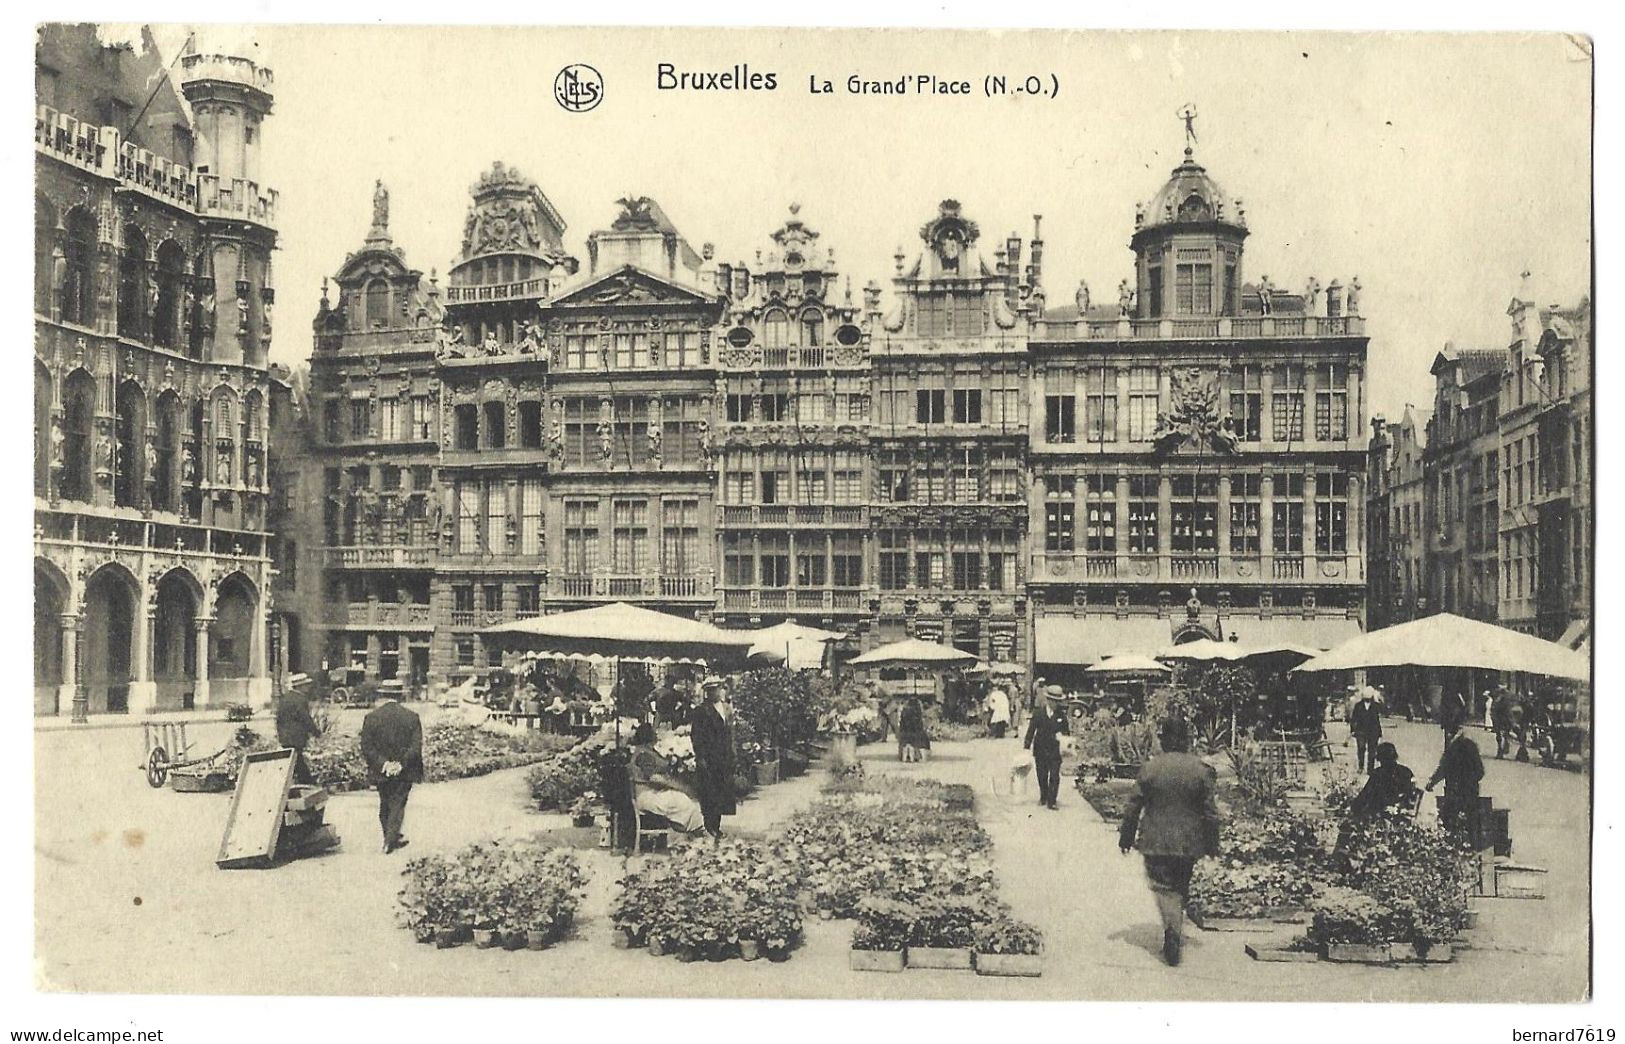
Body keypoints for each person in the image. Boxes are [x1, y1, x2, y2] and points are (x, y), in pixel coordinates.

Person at [1118, 717, 1221, 967]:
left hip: (1156, 841)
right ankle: (1174, 926)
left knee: (1163, 887)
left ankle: (1172, 931)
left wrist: (1126, 836)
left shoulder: (1150, 768)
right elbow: (1210, 812)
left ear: (1163, 741)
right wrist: (1212, 844)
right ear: (1186, 742)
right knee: (1180, 885)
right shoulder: (1200, 770)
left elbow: (1133, 806)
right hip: (1189, 843)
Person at [360, 689, 424, 854]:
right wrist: (401, 764)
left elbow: (367, 747)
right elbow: (415, 746)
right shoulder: (411, 716)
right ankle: (390, 841)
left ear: (382, 696)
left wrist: (384, 764)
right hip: (405, 770)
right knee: (398, 803)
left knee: (385, 802)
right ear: (400, 696)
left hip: (381, 770)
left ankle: (391, 837)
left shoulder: (372, 717)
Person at [628, 723, 705, 833]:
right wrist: (679, 786)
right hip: (647, 796)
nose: (656, 734)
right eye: (653, 732)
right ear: (648, 736)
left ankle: (693, 829)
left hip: (654, 792)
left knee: (682, 798)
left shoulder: (647, 750)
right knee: (680, 799)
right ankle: (696, 830)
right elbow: (654, 777)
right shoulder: (642, 754)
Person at [690, 676, 737, 839]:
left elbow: (728, 732)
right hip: (709, 757)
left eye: (717, 689)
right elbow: (696, 736)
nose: (716, 692)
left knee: (721, 791)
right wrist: (700, 756)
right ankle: (709, 825)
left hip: (723, 757)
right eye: (712, 690)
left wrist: (732, 752)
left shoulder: (725, 708)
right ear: (707, 692)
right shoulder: (701, 711)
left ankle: (716, 824)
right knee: (709, 792)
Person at [1426, 722, 1485, 834]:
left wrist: (1431, 783)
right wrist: (1470, 781)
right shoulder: (1472, 746)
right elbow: (1480, 771)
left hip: (1454, 790)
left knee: (1448, 817)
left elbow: (1443, 768)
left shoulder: (1452, 748)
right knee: (1470, 819)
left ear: (1450, 733)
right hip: (1471, 790)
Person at [1023, 685, 1069, 809]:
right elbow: (1031, 730)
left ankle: (1052, 801)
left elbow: (1066, 733)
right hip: (1040, 749)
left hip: (1055, 750)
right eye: (1054, 701)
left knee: (1054, 775)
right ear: (1048, 700)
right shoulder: (1039, 713)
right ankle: (1043, 796)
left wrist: (1065, 741)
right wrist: (1026, 746)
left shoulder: (1061, 716)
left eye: (1058, 701)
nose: (1056, 704)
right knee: (1042, 775)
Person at [1348, 742, 1417, 818]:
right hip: (1403, 810)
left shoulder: (1377, 774)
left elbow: (1365, 795)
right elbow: (1412, 794)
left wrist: (1353, 807)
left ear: (1381, 759)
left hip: (1381, 812)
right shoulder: (1406, 771)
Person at [274, 686, 320, 785]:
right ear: (301, 686)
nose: (307, 688)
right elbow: (305, 718)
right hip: (297, 735)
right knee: (297, 758)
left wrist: (280, 733)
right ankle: (306, 780)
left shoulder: (285, 698)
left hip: (284, 735)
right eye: (306, 685)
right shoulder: (300, 699)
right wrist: (315, 731)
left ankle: (301, 779)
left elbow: (278, 718)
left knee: (294, 758)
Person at [1348, 687, 1383, 774]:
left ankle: (1370, 769)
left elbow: (1378, 719)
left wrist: (1379, 732)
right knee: (1361, 748)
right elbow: (1354, 719)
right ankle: (1361, 766)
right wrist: (1352, 730)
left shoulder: (1376, 706)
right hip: (1361, 731)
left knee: (1372, 751)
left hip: (1373, 731)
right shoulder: (1358, 706)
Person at [897, 696, 931, 762]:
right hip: (915, 734)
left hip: (905, 734)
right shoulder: (917, 713)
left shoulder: (904, 712)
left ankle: (905, 756)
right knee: (921, 740)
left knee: (905, 742)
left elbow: (901, 725)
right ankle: (917, 756)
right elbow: (920, 726)